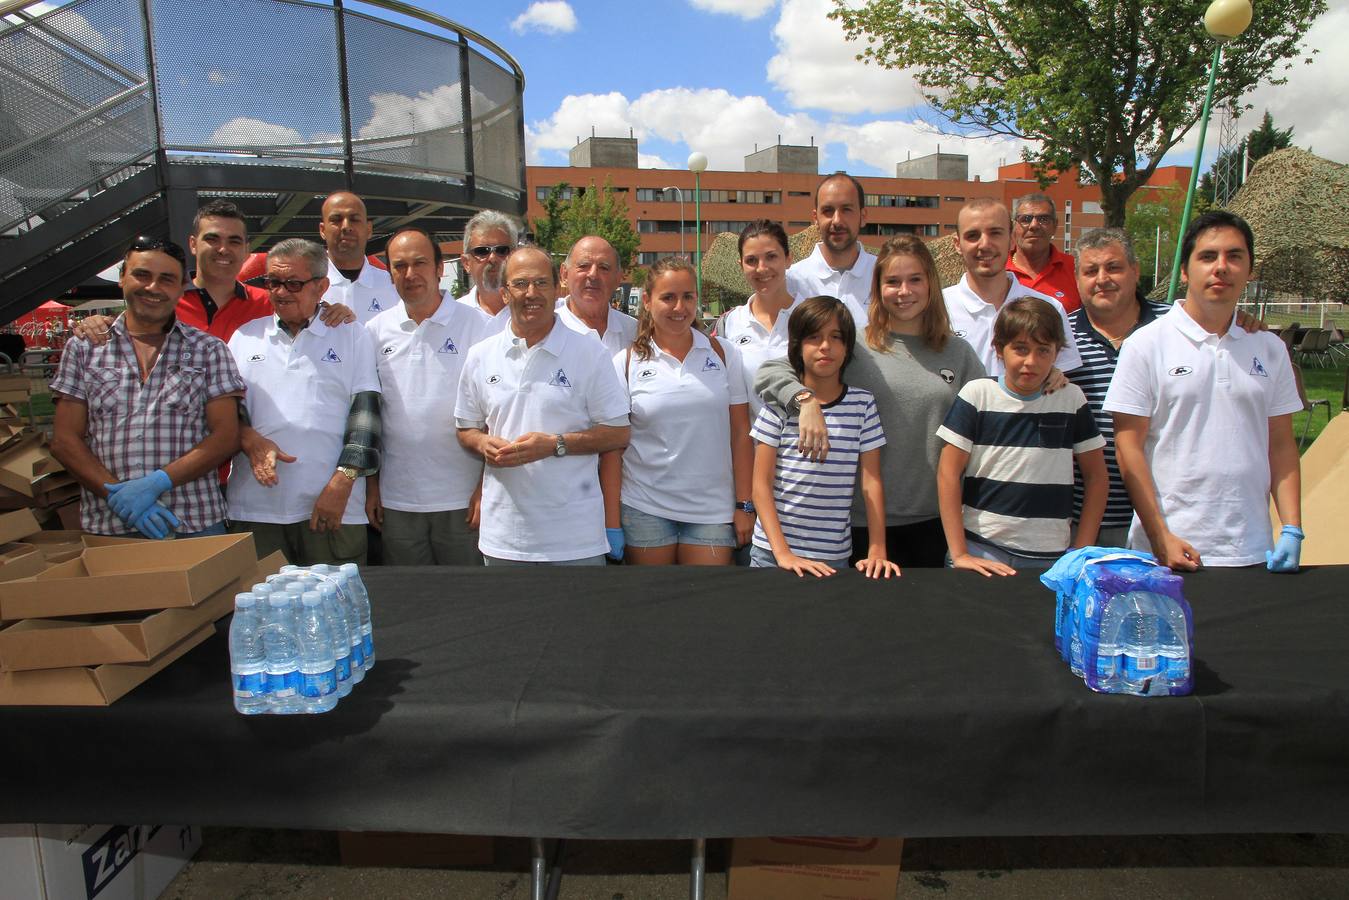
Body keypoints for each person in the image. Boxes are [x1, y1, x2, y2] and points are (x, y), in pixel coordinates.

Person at [756, 235, 986, 568]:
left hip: (935, 519)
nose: (904, 291)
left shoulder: (958, 352)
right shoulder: (855, 345)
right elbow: (770, 372)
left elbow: (992, 407)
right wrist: (804, 400)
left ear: (931, 284)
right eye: (892, 281)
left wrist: (1048, 377)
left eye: (915, 280)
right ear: (878, 288)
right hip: (860, 524)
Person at [1105, 210, 1303, 572]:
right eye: (1208, 256)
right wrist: (1160, 534)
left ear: (1250, 269)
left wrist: (1292, 526)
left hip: (1253, 549)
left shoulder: (1270, 348)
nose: (1221, 267)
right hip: (1167, 551)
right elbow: (1127, 447)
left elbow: (1282, 444)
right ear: (1185, 270)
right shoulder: (1146, 345)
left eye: (1234, 256)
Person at [49, 237, 244, 538]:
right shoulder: (84, 349)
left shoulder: (209, 350)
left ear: (182, 288)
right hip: (111, 523)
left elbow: (226, 436)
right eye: (142, 275)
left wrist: (159, 481)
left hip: (193, 522)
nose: (153, 287)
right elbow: (65, 439)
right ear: (122, 279)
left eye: (167, 279)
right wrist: (116, 494)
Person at [454, 245, 630, 566]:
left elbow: (618, 434)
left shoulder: (590, 351)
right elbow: (466, 428)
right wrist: (483, 442)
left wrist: (554, 445)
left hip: (576, 541)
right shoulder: (480, 355)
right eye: (520, 284)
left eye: (540, 283)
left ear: (556, 287)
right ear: (505, 293)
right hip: (504, 538)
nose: (531, 293)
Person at [227, 239, 381, 566]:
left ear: (322, 286)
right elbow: (227, 413)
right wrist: (250, 440)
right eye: (273, 282)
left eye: (294, 284)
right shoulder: (244, 337)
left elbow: (365, 415)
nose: (281, 292)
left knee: (337, 608)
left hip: (332, 508)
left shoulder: (352, 335)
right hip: (257, 510)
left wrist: (343, 483)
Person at [937, 297, 1107, 575]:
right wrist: (959, 553)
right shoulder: (977, 395)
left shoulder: (1070, 398)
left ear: (1057, 353)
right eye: (1020, 349)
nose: (1031, 361)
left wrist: (1082, 550)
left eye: (1043, 351)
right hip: (982, 548)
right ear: (999, 350)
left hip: (1051, 556)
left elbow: (1097, 477)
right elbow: (947, 473)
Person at [606, 256, 752, 566]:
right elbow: (614, 448)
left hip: (712, 510)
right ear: (647, 301)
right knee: (654, 608)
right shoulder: (626, 362)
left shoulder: (724, 353)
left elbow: (741, 434)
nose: (679, 307)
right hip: (644, 508)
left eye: (688, 296)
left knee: (703, 608)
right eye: (668, 297)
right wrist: (612, 520)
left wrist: (744, 504)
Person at [365, 226, 491, 566]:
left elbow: (497, 416)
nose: (410, 274)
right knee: (413, 602)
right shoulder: (374, 332)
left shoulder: (480, 327)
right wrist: (373, 486)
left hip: (462, 500)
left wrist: (485, 488)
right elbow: (370, 416)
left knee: (466, 602)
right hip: (399, 501)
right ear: (390, 273)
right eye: (399, 265)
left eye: (420, 263)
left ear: (439, 268)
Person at [750, 296, 897, 578]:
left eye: (836, 337)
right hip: (772, 555)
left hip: (833, 558)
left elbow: (871, 481)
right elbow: (761, 485)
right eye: (814, 337)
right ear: (797, 345)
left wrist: (877, 548)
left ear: (847, 347)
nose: (825, 346)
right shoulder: (778, 405)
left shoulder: (862, 405)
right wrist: (782, 553)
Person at [73, 199, 354, 343]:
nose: (223, 249)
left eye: (234, 241)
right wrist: (96, 323)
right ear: (193, 244)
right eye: (212, 239)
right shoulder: (161, 303)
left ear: (246, 250)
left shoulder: (269, 303)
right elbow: (127, 327)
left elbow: (308, 311)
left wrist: (336, 311)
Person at [1067, 228, 1172, 548]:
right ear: (1077, 279)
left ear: (1135, 271)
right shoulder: (1060, 337)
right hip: (1082, 517)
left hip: (1166, 512)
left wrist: (1244, 322)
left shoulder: (1173, 326)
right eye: (1090, 271)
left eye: (1113, 267)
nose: (1102, 279)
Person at [944, 199, 1082, 377]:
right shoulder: (937, 308)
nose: (985, 244)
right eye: (973, 236)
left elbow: (1063, 380)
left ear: (1011, 240)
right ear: (957, 244)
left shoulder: (1049, 307)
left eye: (995, 233)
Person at [714, 220, 799, 418]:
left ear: (788, 259)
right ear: (741, 265)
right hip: (753, 447)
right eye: (751, 260)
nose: (761, 268)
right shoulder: (729, 325)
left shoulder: (814, 318)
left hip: (807, 446)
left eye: (771, 257)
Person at [785, 173, 873, 325]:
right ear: (815, 218)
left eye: (846, 209)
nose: (837, 220)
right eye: (828, 211)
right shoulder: (791, 281)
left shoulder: (884, 277)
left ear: (863, 216)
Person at [320, 191, 395, 324]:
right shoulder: (302, 288)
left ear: (369, 229)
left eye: (354, 219)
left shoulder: (394, 286)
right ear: (322, 230)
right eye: (336, 220)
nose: (346, 227)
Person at [557, 236, 637, 353]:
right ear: (564, 274)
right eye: (583, 266)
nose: (593, 275)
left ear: (618, 278)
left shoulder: (634, 333)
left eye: (604, 268)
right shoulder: (545, 329)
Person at [1006, 193, 1082, 313]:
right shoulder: (998, 269)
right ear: (1014, 226)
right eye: (1025, 219)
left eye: (1043, 219)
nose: (1034, 225)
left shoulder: (1076, 268)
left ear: (1055, 225)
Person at [457, 209, 518, 331]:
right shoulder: (453, 316)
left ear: (515, 255)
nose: (493, 258)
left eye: (501, 250)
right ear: (466, 263)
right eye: (482, 251)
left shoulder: (535, 312)